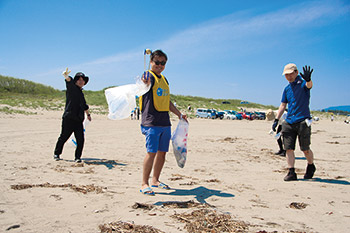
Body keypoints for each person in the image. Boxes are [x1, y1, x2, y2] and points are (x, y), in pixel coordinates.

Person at [139, 50, 188, 195]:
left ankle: (155, 180)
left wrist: (179, 114)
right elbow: (144, 80)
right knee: (151, 152)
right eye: (157, 62)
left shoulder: (165, 80)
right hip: (151, 122)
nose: (160, 65)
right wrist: (145, 79)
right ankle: (144, 183)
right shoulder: (149, 76)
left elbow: (167, 101)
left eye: (163, 63)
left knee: (162, 153)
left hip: (165, 122)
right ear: (151, 62)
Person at [272, 63, 316, 181]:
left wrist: (309, 79)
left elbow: (309, 86)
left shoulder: (303, 84)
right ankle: (291, 172)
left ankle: (311, 166)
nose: (289, 77)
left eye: (290, 74)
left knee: (305, 149)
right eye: (286, 75)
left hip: (303, 121)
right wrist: (277, 119)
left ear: (296, 72)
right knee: (289, 148)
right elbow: (282, 105)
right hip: (289, 121)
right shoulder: (287, 89)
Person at [54, 68, 91, 163]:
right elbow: (69, 81)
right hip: (69, 118)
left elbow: (84, 106)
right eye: (79, 80)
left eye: (82, 80)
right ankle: (57, 153)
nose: (81, 81)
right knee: (64, 137)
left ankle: (77, 157)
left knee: (81, 140)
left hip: (78, 120)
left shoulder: (81, 94)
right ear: (76, 81)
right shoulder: (72, 88)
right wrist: (66, 76)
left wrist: (88, 115)